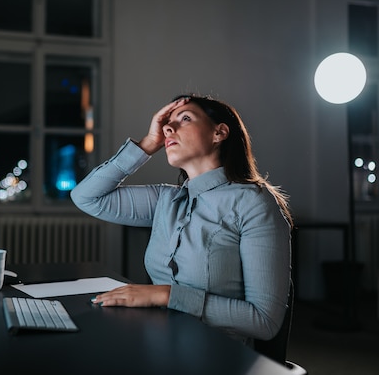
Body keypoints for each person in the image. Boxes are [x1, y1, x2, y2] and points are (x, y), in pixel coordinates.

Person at [70, 93, 293, 345]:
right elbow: (85, 197)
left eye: (185, 118)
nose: (168, 128)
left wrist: (166, 295)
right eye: (167, 124)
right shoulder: (166, 199)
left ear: (219, 133)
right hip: (159, 339)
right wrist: (147, 144)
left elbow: (265, 321)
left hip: (219, 355)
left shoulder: (253, 202)